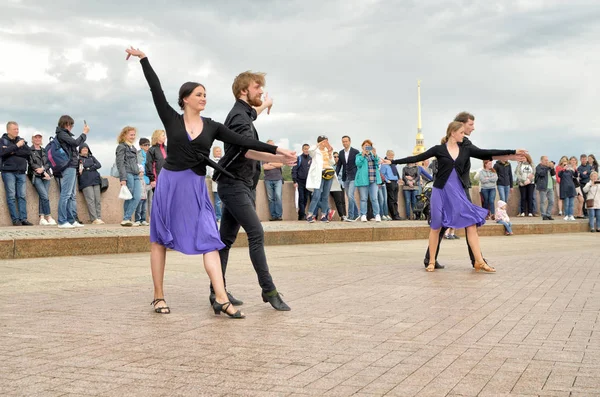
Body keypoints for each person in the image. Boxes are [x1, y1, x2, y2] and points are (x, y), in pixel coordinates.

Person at [126, 47, 294, 317]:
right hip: (170, 183)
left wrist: (277, 151)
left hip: (195, 185)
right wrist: (144, 59)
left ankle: (221, 298)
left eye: (205, 94)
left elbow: (243, 141)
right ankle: (158, 297)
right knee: (159, 240)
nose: (203, 98)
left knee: (211, 239)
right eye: (198, 94)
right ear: (185, 99)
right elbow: (154, 89)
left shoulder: (213, 126)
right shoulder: (171, 118)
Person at [384, 121, 522, 272]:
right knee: (436, 226)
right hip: (440, 191)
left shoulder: (466, 150)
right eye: (462, 132)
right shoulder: (439, 149)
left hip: (457, 192)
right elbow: (416, 158)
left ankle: (480, 261)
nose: (464, 135)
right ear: (452, 133)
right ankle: (431, 261)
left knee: (471, 222)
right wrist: (393, 162)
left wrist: (512, 153)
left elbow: (486, 153)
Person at [213, 69, 296, 312]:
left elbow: (253, 115)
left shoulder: (243, 113)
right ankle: (269, 290)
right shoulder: (239, 118)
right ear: (243, 91)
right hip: (235, 185)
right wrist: (280, 155)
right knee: (256, 233)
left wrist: (266, 103)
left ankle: (215, 291)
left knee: (225, 240)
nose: (261, 90)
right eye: (257, 87)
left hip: (240, 183)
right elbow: (247, 150)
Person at [56, 115, 88, 228]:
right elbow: (75, 143)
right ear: (66, 124)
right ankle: (61, 221)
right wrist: (84, 133)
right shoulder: (62, 134)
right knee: (66, 194)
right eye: (71, 125)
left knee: (71, 195)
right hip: (68, 166)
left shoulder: (64, 134)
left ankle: (70, 220)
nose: (72, 127)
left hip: (72, 165)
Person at [1, 122, 33, 226]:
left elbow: (28, 152)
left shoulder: (21, 140)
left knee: (22, 196)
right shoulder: (2, 141)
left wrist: (12, 150)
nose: (17, 131)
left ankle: (23, 219)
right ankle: (15, 220)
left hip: (21, 172)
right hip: (8, 172)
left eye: (17, 129)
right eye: (15, 129)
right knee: (11, 196)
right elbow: (2, 152)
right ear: (8, 130)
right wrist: (17, 146)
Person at [115, 126, 143, 227]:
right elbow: (120, 163)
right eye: (131, 135)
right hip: (127, 173)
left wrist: (138, 170)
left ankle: (126, 218)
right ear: (125, 135)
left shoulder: (133, 148)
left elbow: (135, 162)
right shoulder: (121, 147)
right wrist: (123, 178)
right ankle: (126, 219)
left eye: (134, 135)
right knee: (129, 197)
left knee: (137, 197)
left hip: (135, 174)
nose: (133, 136)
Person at [28, 132, 56, 226]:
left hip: (46, 176)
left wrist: (44, 170)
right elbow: (32, 164)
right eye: (36, 138)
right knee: (44, 196)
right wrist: (42, 170)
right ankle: (49, 216)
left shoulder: (44, 150)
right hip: (36, 175)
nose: (37, 139)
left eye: (39, 138)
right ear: (32, 139)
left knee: (42, 196)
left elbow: (49, 162)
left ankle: (42, 218)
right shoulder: (30, 150)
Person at [305, 135, 336, 223]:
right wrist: (318, 145)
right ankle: (310, 215)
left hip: (328, 173)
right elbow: (310, 150)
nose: (326, 143)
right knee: (316, 195)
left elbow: (332, 162)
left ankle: (323, 215)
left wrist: (330, 154)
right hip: (319, 174)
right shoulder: (315, 151)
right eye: (324, 141)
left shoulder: (327, 151)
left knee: (325, 196)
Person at [355, 139, 381, 222]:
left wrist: (375, 154)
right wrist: (363, 155)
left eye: (368, 146)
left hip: (373, 179)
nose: (366, 147)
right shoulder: (359, 155)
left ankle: (377, 214)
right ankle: (363, 215)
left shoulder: (373, 155)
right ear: (362, 147)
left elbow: (377, 164)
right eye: (365, 146)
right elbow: (358, 164)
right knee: (363, 198)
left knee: (374, 198)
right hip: (363, 180)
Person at [77, 143, 104, 224]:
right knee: (90, 200)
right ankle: (94, 219)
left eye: (86, 148)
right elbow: (80, 169)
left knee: (97, 200)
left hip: (95, 180)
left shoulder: (92, 157)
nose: (85, 150)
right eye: (83, 149)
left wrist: (88, 168)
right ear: (80, 150)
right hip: (86, 181)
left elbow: (99, 165)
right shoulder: (79, 158)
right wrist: (90, 167)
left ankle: (99, 217)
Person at [336, 135, 359, 221]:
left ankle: (350, 216)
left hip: (353, 177)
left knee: (350, 195)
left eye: (346, 141)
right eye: (343, 141)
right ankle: (357, 214)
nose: (345, 143)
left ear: (350, 142)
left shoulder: (356, 152)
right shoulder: (341, 152)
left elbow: (359, 164)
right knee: (350, 196)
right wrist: (335, 175)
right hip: (345, 178)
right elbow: (339, 165)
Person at [145, 129, 167, 219]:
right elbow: (149, 165)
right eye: (163, 135)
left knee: (167, 199)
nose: (165, 137)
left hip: (168, 178)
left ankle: (165, 217)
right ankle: (157, 218)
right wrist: (152, 179)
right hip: (157, 179)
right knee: (158, 199)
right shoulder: (152, 150)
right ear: (157, 137)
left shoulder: (167, 149)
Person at [263, 139, 284, 221]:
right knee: (271, 198)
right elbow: (265, 167)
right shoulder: (264, 155)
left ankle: (279, 215)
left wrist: (270, 163)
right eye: (269, 145)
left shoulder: (277, 154)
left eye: (272, 144)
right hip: (268, 179)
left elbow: (281, 164)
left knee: (278, 197)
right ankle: (273, 216)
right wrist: (275, 164)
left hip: (278, 178)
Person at [380, 150, 403, 220]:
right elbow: (382, 174)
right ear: (387, 155)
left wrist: (399, 179)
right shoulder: (384, 164)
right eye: (390, 155)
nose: (391, 157)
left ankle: (397, 214)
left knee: (395, 200)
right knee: (391, 199)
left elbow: (396, 172)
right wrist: (387, 181)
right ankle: (394, 215)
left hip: (395, 182)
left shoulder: (393, 164)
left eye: (392, 155)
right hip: (390, 183)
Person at [291, 144, 312, 220]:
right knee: (301, 199)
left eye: (308, 149)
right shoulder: (299, 158)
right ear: (302, 149)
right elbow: (294, 170)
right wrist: (294, 181)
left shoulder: (311, 159)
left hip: (308, 182)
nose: (306, 150)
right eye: (305, 149)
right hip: (300, 181)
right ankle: (302, 215)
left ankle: (301, 214)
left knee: (306, 198)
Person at [135, 137, 151, 226]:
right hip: (140, 179)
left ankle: (145, 219)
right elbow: (136, 165)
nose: (147, 146)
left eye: (149, 144)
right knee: (140, 200)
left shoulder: (151, 153)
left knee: (148, 201)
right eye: (145, 145)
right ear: (141, 146)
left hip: (149, 179)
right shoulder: (137, 154)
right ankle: (138, 219)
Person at [535, 155, 555, 221]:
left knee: (552, 201)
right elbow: (542, 174)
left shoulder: (548, 167)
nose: (547, 161)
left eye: (547, 160)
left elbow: (553, 174)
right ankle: (543, 215)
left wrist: (552, 168)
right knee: (542, 201)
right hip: (543, 186)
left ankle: (548, 214)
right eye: (545, 160)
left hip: (550, 186)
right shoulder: (538, 167)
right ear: (541, 161)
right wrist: (548, 168)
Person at [329, 151, 347, 221]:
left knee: (343, 201)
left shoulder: (342, 166)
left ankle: (345, 215)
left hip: (341, 184)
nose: (336, 158)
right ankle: (342, 215)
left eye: (338, 157)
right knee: (338, 200)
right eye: (335, 157)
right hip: (333, 185)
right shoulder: (331, 166)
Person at [207, 146, 223, 222]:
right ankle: (218, 216)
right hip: (216, 185)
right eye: (217, 151)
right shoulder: (212, 161)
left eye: (220, 151)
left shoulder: (224, 160)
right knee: (217, 202)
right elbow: (211, 173)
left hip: (224, 185)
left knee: (225, 202)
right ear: (213, 152)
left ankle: (224, 217)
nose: (219, 152)